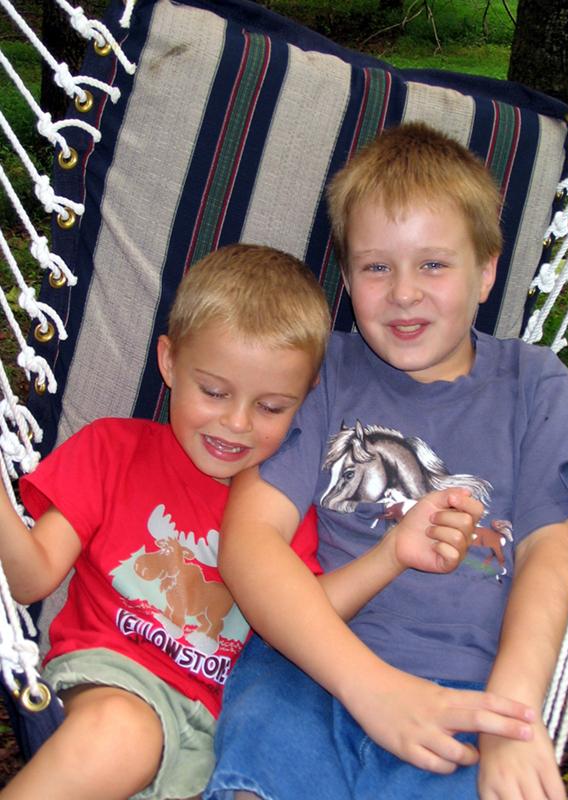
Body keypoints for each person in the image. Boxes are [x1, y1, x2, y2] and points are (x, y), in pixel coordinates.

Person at [0, 241, 498, 800]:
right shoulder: (111, 452)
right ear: (168, 362)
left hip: (217, 734)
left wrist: (391, 555)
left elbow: (306, 616)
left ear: (306, 402)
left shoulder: (283, 508)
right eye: (213, 391)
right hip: (114, 681)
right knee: (125, 735)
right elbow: (31, 576)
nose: (235, 423)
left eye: (271, 407)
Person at [203, 124, 568, 800]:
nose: (403, 293)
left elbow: (549, 557)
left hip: (468, 693)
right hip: (311, 672)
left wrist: (511, 716)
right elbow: (249, 544)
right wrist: (370, 687)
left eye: (433, 265)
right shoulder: (324, 371)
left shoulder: (536, 387)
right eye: (376, 266)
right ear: (347, 275)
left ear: (487, 271)